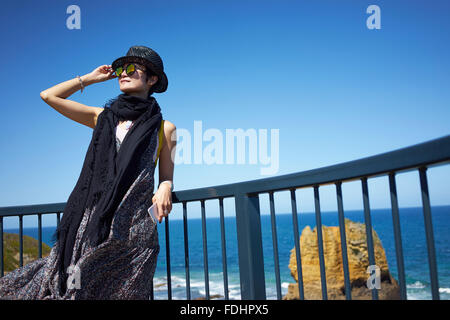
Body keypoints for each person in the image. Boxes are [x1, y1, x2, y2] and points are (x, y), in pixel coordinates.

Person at [0, 45, 176, 299]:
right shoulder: (102, 117)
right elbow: (49, 96)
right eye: (120, 69)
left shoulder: (165, 128)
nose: (122, 73)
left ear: (152, 79)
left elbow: (167, 175)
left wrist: (165, 187)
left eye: (130, 69)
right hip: (94, 225)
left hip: (135, 230)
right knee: (80, 289)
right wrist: (90, 79)